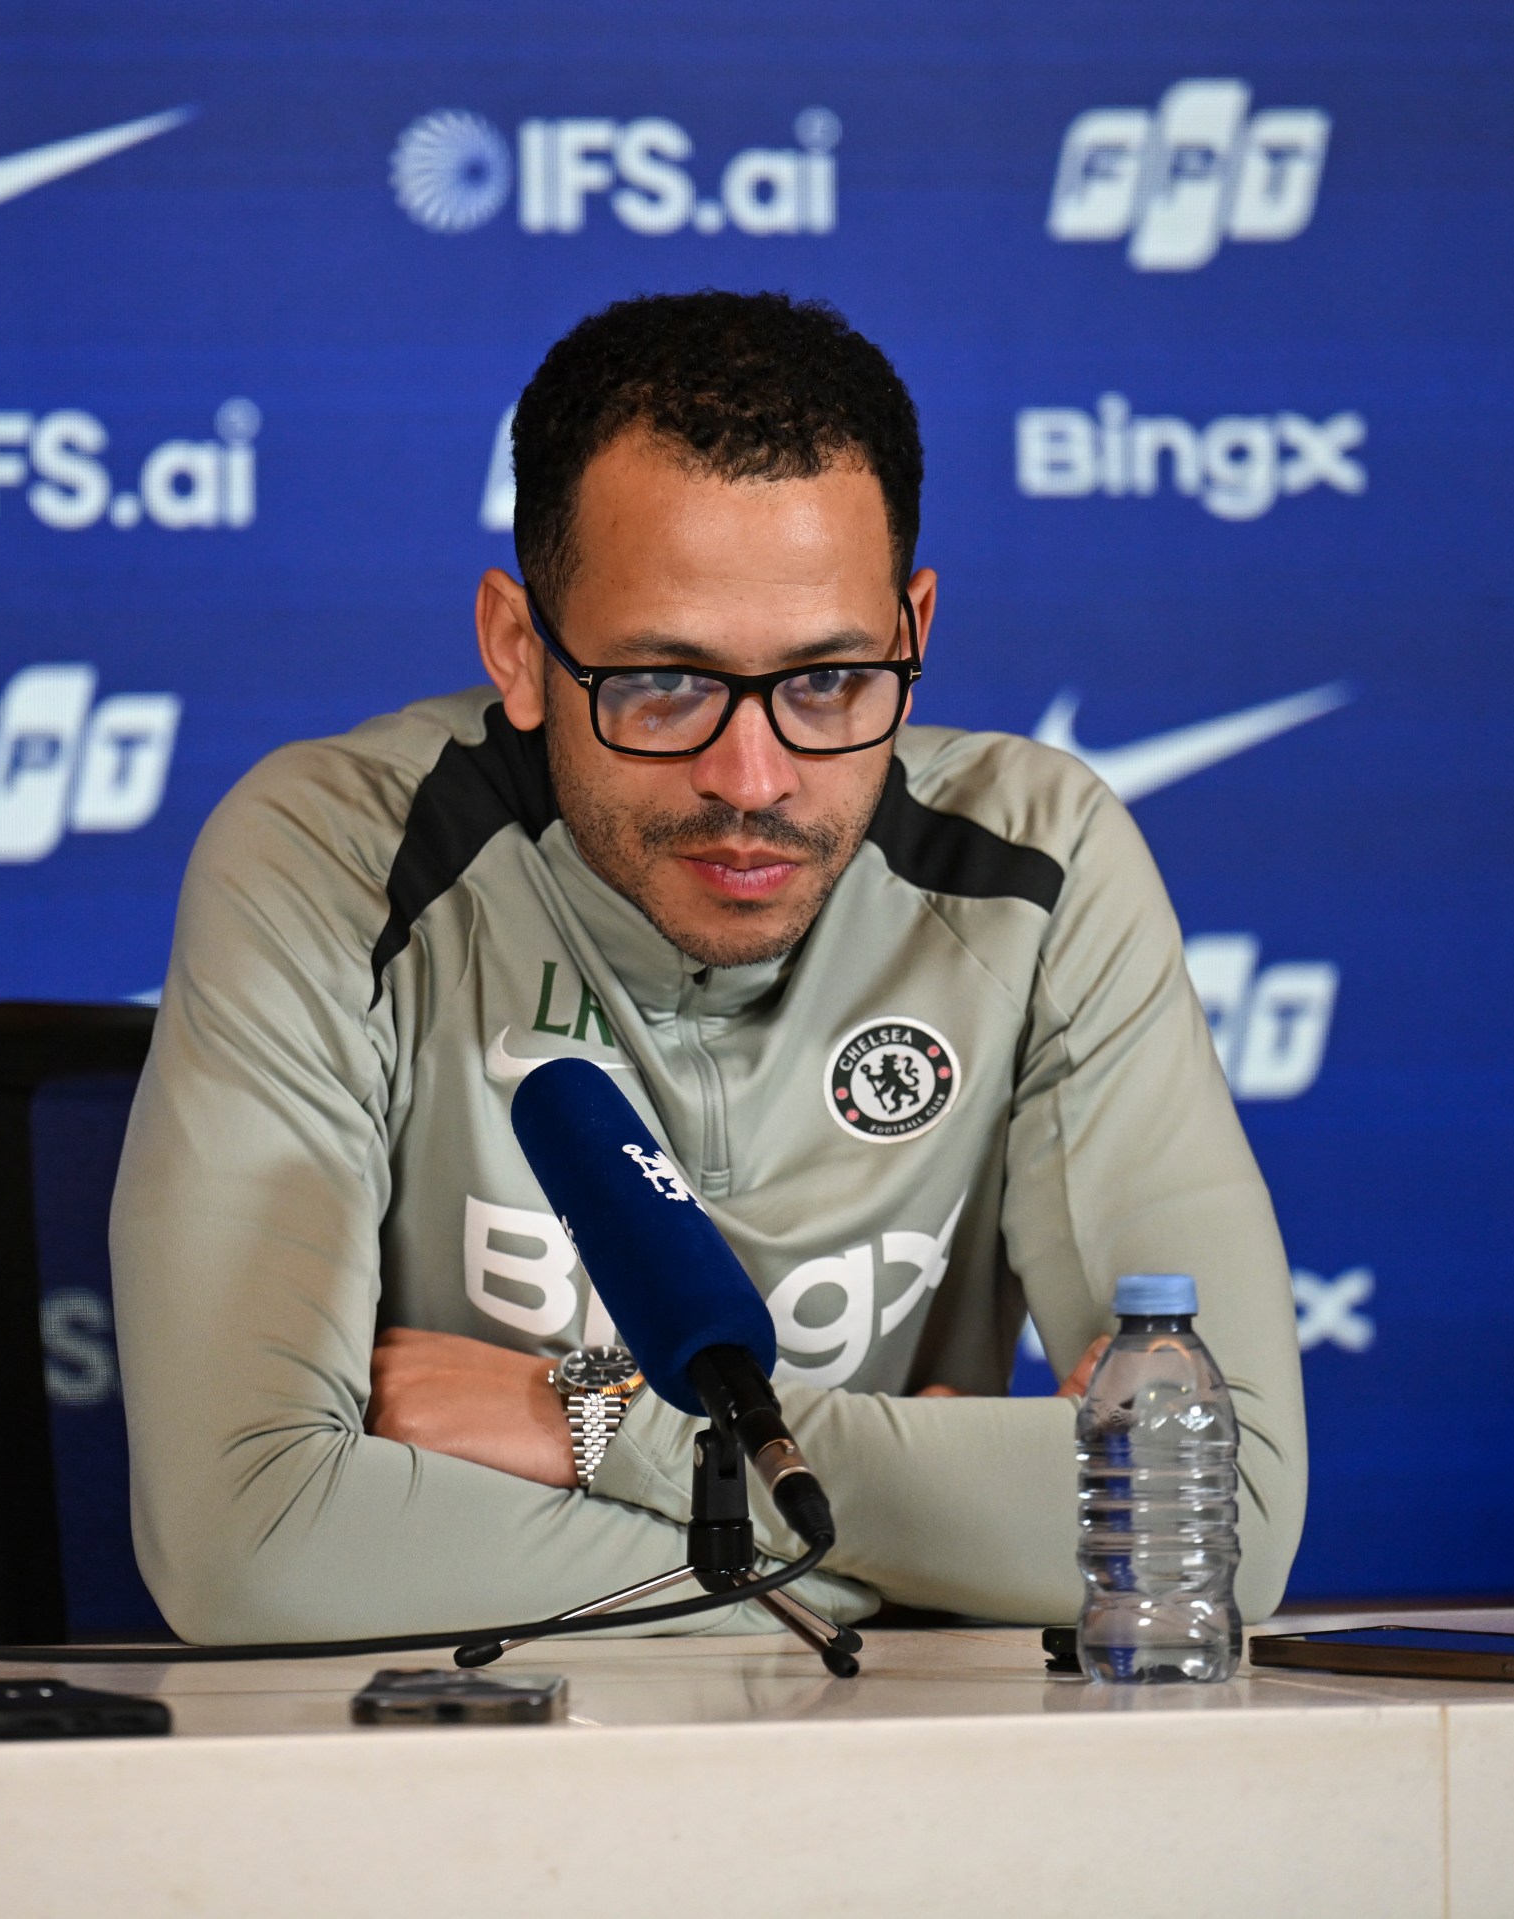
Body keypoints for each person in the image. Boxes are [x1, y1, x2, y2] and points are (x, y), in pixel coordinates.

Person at [110, 290, 1306, 1641]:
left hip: (881, 1760)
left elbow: (1223, 1522)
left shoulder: (1040, 863)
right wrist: (898, 1545)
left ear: (913, 631)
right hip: (468, 1754)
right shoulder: (335, 855)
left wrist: (594, 1424)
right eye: (663, 684)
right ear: (519, 649)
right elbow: (250, 1545)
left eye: (830, 680)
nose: (754, 778)